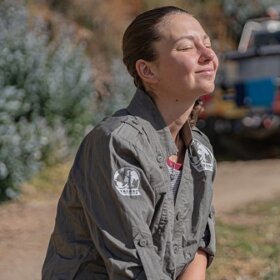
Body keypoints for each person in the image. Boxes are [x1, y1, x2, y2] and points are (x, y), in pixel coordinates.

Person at [42, 6, 218, 280]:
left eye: (207, 44)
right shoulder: (116, 144)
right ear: (147, 70)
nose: (208, 55)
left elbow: (199, 242)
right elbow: (131, 266)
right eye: (186, 48)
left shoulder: (200, 150)